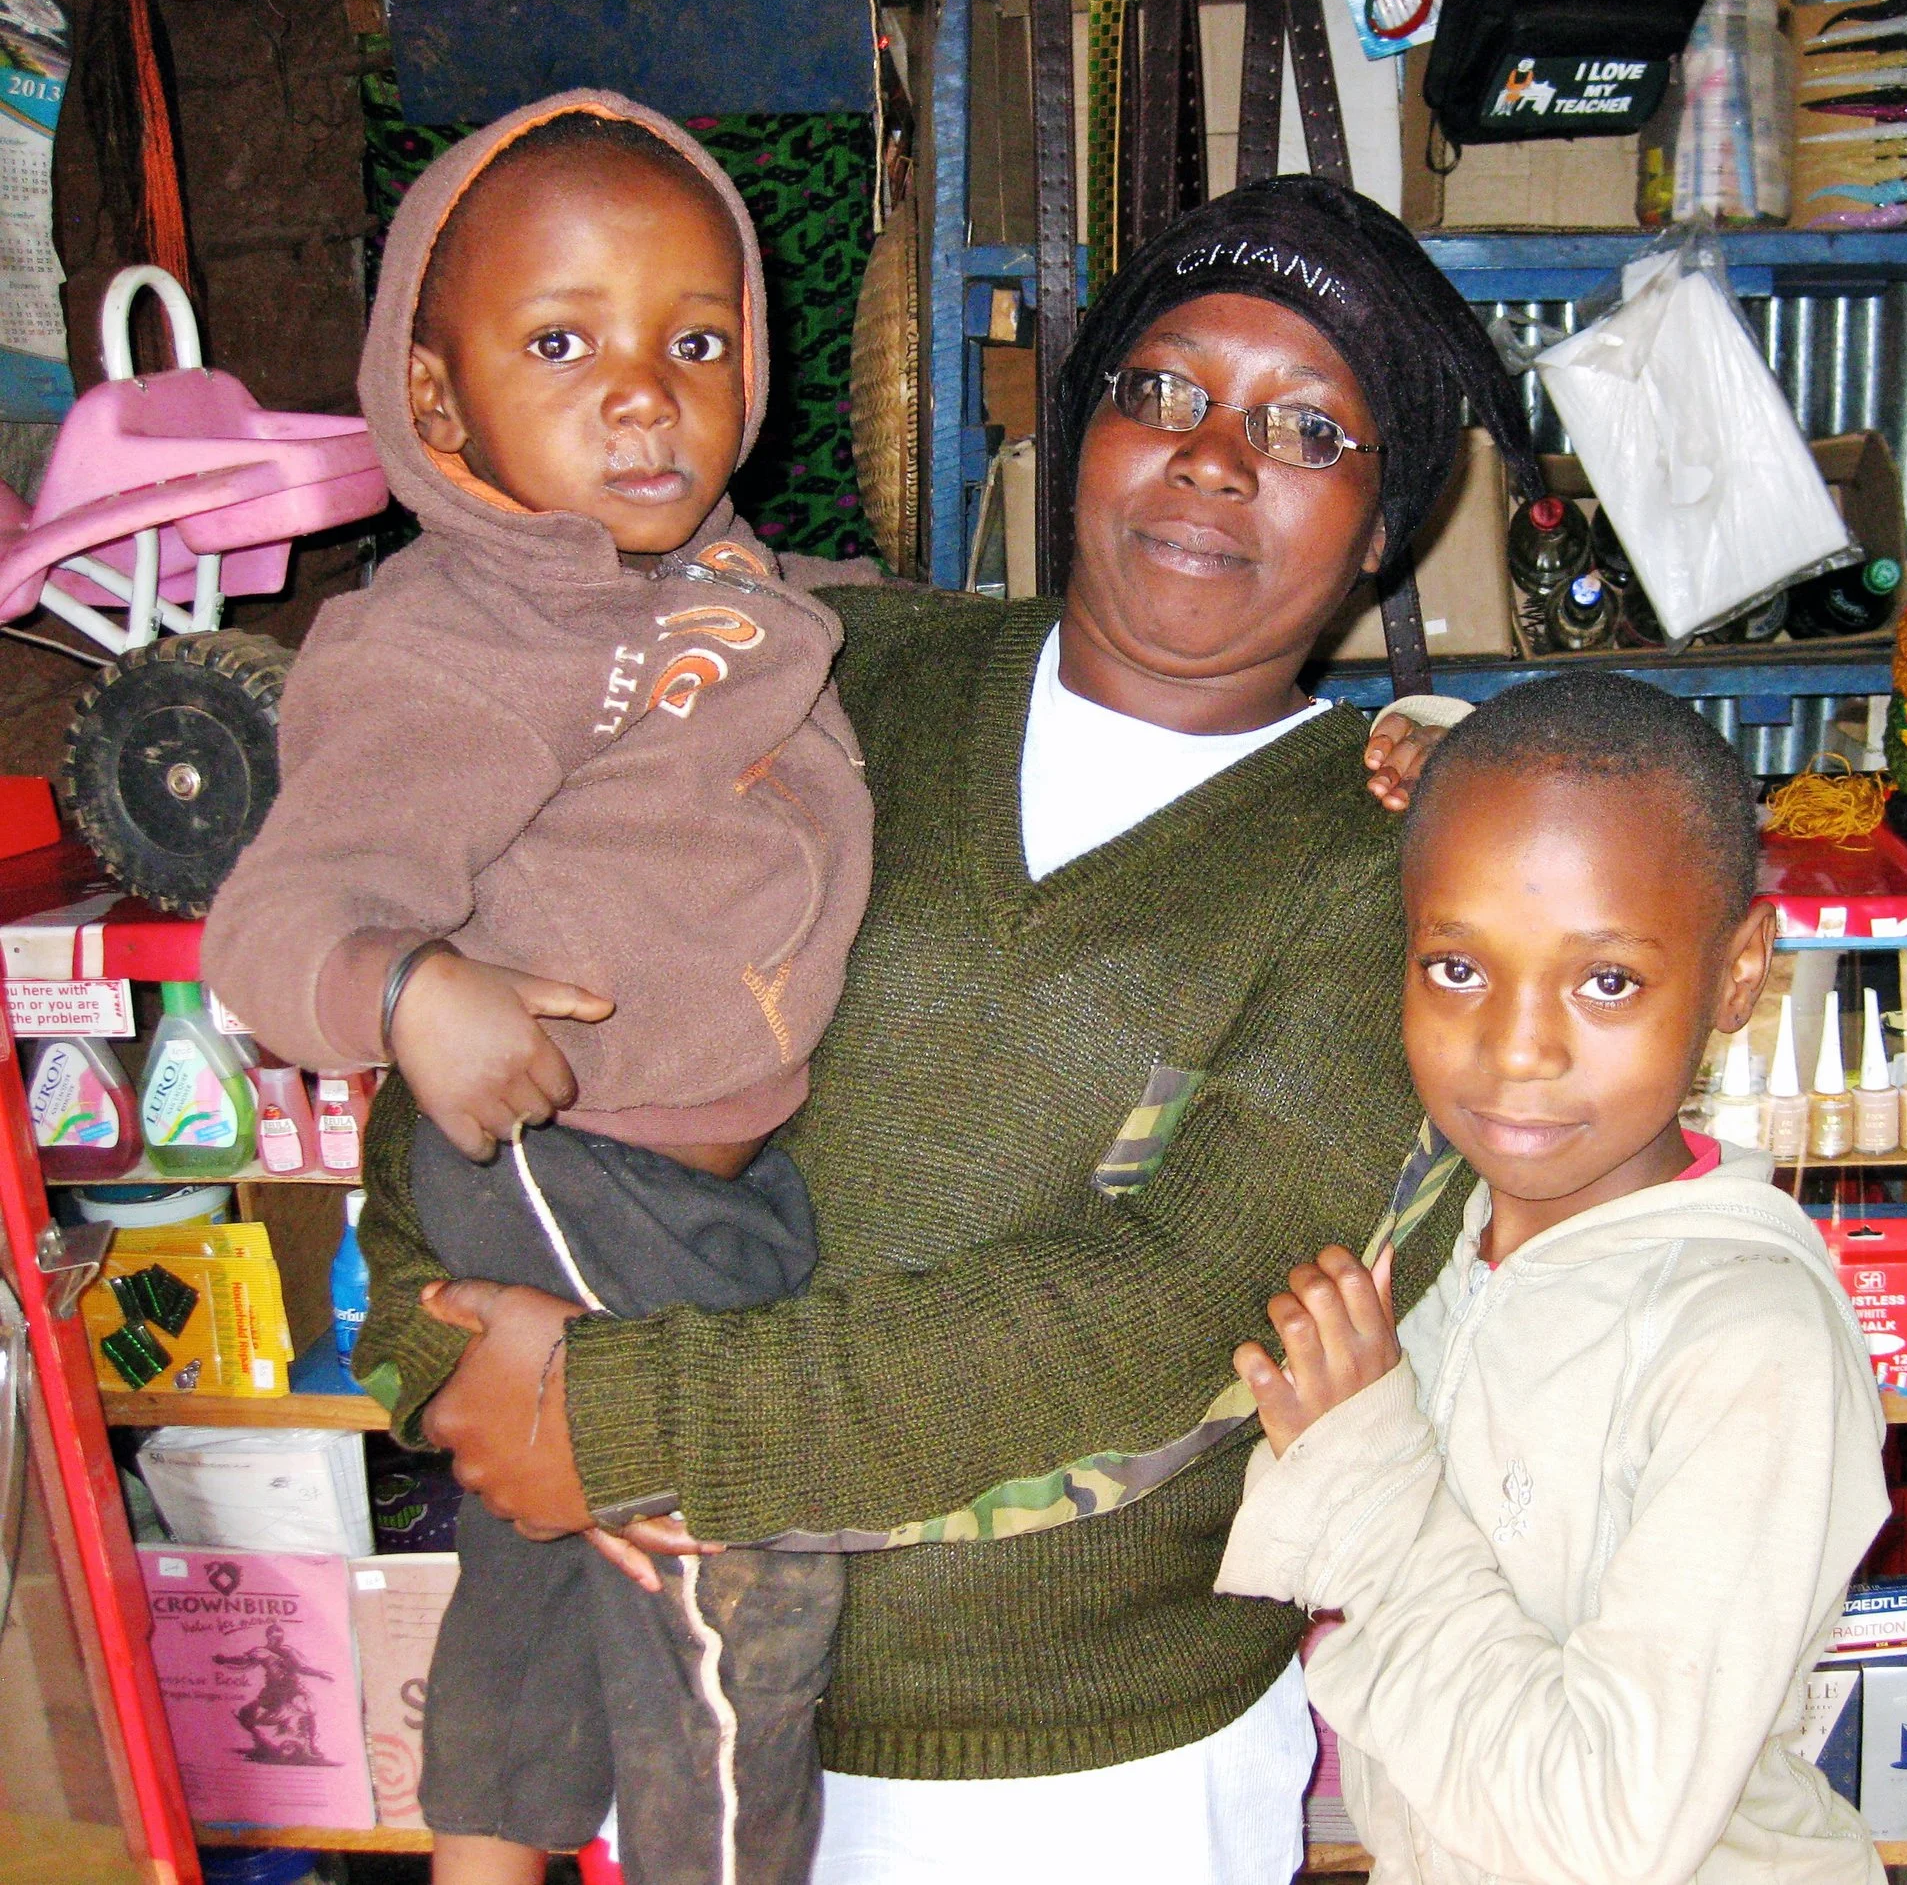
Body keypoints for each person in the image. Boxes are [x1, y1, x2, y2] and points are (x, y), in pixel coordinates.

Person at [345, 174, 1541, 1885]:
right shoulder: (823, 670)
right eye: (1161, 390)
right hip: (668, 1707)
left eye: (1307, 431)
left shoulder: (1398, 868)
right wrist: (446, 1345)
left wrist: (623, 1420)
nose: (1213, 457)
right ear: (1083, 436)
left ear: (1380, 531)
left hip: (1080, 1780)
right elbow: (491, 985)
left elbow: (1178, 1306)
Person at [200, 92, 874, 1885]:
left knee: (547, 1559)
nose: (643, 395)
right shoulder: (453, 642)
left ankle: (483, 1860)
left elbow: (814, 640)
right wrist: (409, 987)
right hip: (584, 1155)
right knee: (732, 1565)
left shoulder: (710, 575)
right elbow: (271, 925)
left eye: (696, 340)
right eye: (563, 343)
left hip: (675, 1166)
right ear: (438, 405)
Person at [1218, 672, 1891, 1885]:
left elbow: (1601, 1838)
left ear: (1739, 972)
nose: (1518, 1050)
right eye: (1456, 970)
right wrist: (1446, 753)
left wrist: (1366, 1479)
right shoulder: (1438, 1227)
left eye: (1608, 982)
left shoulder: (1747, 1340)